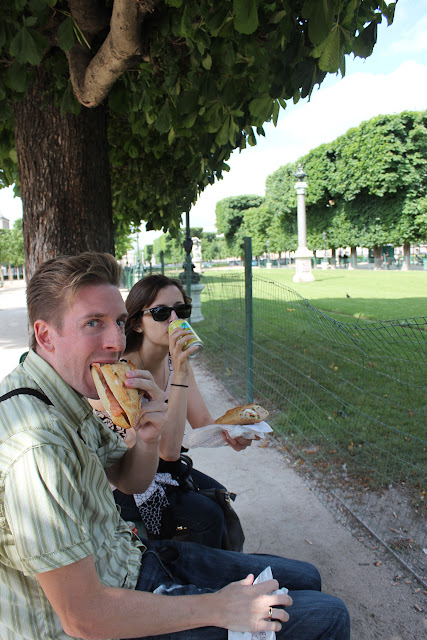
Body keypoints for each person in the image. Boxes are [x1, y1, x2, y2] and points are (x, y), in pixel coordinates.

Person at [0, 251, 350, 640]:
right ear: (45, 335)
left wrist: (147, 437)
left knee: (306, 577)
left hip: (133, 561)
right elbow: (84, 617)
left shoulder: (65, 393)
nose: (115, 342)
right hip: (108, 612)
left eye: (118, 322)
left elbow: (130, 479)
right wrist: (217, 607)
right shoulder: (37, 448)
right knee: (328, 615)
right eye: (93, 323)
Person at [93, 274, 250, 548]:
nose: (175, 319)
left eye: (181, 310)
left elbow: (202, 422)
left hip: (161, 469)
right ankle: (193, 571)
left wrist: (235, 433)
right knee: (209, 516)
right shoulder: (124, 375)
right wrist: (181, 372)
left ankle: (218, 566)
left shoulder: (172, 361)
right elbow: (168, 451)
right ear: (137, 324)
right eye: (161, 313)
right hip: (124, 482)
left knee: (220, 497)